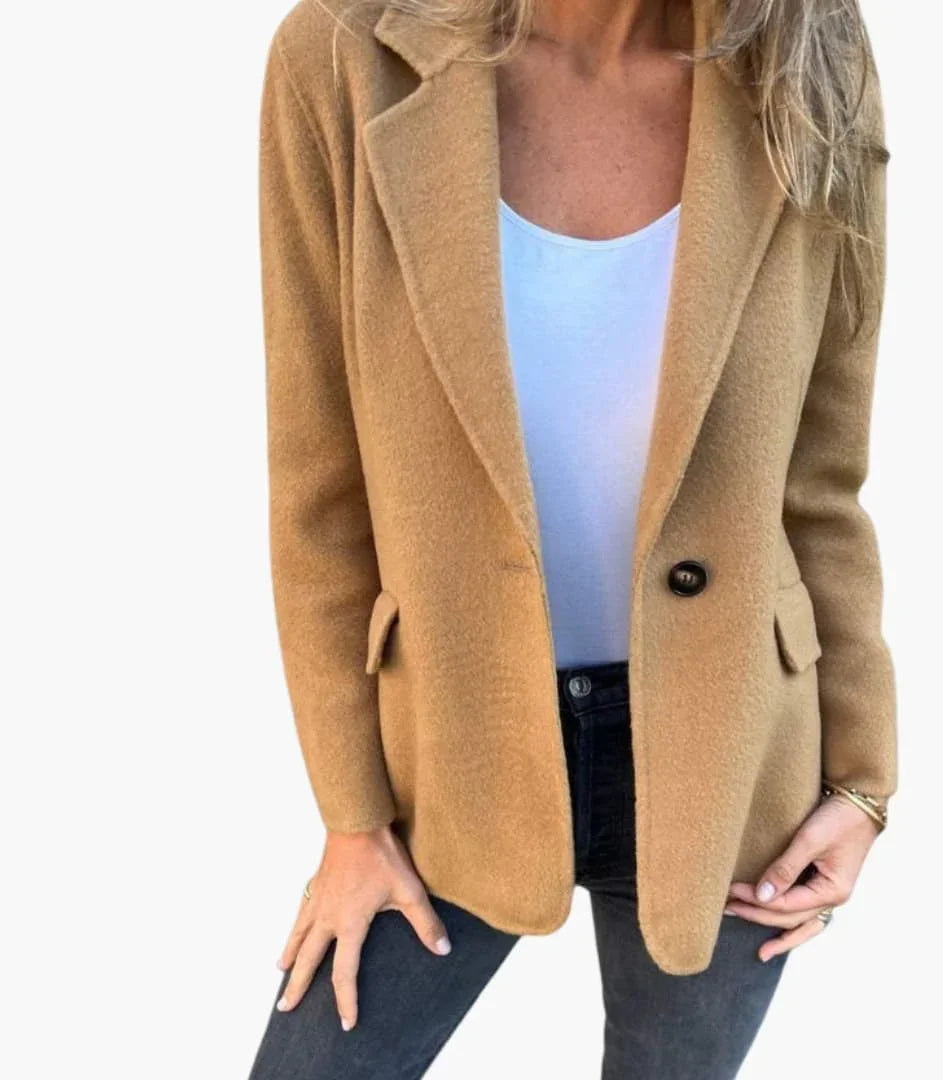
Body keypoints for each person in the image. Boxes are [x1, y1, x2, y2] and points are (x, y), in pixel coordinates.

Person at [248, 0, 896, 1075]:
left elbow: (821, 479)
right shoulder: (344, 53)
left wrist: (862, 783)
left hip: (729, 764)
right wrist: (352, 821)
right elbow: (318, 487)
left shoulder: (806, 54)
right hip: (446, 753)